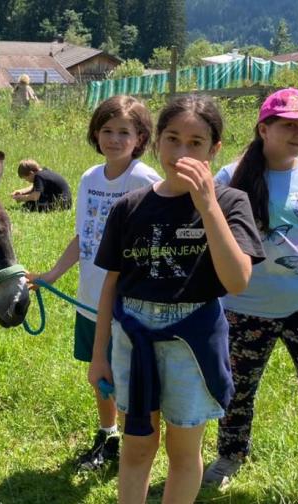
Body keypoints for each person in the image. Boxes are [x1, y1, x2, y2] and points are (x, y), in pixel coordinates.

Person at [90, 94, 264, 504]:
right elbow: (110, 285)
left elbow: (237, 281)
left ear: (214, 148)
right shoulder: (130, 207)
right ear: (156, 143)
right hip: (133, 337)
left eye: (195, 143)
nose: (181, 153)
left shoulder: (229, 202)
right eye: (172, 139)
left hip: (192, 342)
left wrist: (206, 206)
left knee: (183, 450)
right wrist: (100, 354)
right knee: (137, 446)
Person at [203, 88, 298, 504]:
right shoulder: (229, 178)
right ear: (264, 128)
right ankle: (229, 458)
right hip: (239, 307)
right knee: (234, 389)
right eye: (290, 125)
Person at [27, 95, 162, 472]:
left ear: (140, 137)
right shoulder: (89, 178)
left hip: (129, 303)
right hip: (90, 299)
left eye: (124, 132)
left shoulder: (146, 180)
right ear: (95, 134)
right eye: (107, 130)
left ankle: (140, 443)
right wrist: (52, 275)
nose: (114, 139)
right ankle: (109, 434)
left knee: (133, 376)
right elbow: (82, 237)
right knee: (99, 371)